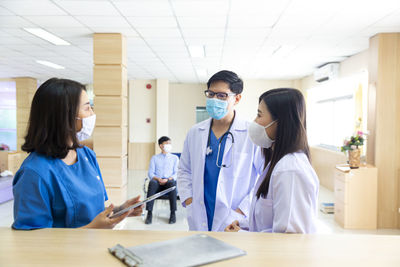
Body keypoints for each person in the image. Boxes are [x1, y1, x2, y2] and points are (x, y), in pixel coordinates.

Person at [12, 78, 142, 230]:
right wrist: (92, 229)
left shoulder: (86, 155)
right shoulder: (34, 173)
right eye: (87, 108)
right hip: (66, 254)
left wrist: (120, 210)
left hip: (96, 248)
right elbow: (31, 241)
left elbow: (93, 211)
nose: (92, 114)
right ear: (65, 117)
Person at [177, 70, 264, 231]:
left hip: (234, 218)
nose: (214, 99)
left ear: (237, 98)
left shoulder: (252, 133)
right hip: (199, 213)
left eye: (222, 96)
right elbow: (184, 170)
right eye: (210, 94)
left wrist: (241, 210)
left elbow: (264, 178)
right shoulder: (196, 132)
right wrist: (189, 200)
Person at [225, 88, 319, 233]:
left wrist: (241, 235)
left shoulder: (290, 170)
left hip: (280, 254)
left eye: (259, 115)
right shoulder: (277, 162)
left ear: (280, 122)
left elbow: (289, 236)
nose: (254, 121)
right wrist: (244, 225)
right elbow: (271, 221)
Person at [145, 136, 179, 224]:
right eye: (167, 144)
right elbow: (150, 173)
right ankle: (149, 213)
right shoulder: (155, 158)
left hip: (169, 181)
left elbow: (176, 173)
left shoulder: (174, 158)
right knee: (152, 182)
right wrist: (158, 179)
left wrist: (168, 179)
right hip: (157, 181)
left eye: (170, 143)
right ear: (161, 146)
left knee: (172, 183)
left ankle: (173, 213)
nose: (169, 145)